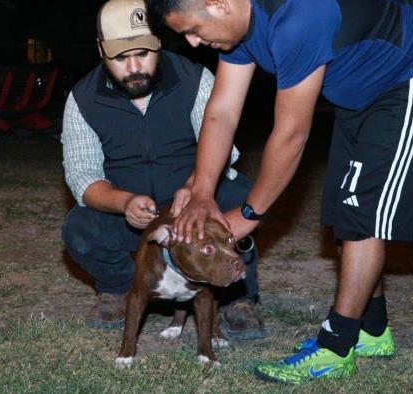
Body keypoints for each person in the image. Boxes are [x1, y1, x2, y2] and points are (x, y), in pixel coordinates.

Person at [146, 0, 413, 383]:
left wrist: (248, 215)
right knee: (347, 210)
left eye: (191, 30)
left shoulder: (300, 16)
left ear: (218, 4)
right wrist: (203, 192)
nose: (193, 42)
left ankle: (335, 347)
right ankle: (373, 330)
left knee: (364, 216)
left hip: (411, 67)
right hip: (362, 82)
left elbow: (291, 134)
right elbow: (223, 111)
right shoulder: (237, 29)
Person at [60, 0, 265, 340]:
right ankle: (121, 287)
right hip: (132, 212)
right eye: (120, 57)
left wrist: (196, 186)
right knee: (79, 227)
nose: (134, 66)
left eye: (143, 53)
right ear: (100, 50)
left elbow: (224, 148)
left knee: (238, 192)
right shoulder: (82, 99)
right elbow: (82, 177)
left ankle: (237, 297)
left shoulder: (193, 79)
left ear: (158, 41)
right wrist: (124, 202)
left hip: (194, 205)